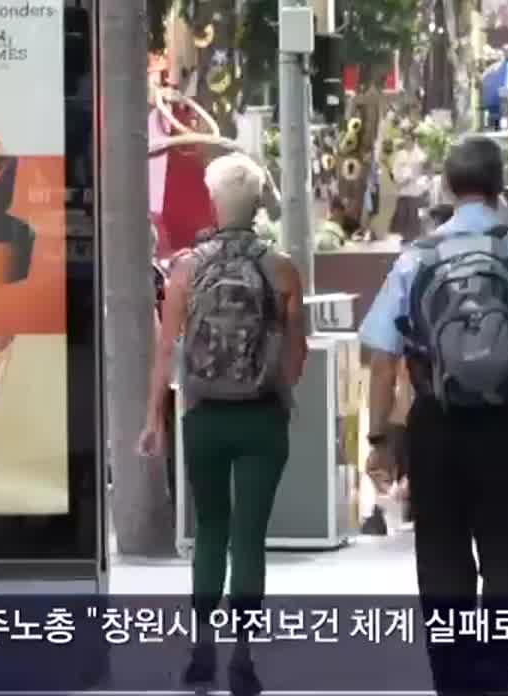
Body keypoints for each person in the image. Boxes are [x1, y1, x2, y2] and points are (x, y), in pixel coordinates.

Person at [359, 137, 508, 696]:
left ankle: (454, 679)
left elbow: (384, 358)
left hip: (435, 427)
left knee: (440, 554)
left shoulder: (415, 258)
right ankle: (495, 661)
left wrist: (381, 437)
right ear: (500, 184)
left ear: (447, 187)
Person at [141, 154, 308, 695]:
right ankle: (244, 654)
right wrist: (283, 392)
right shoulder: (281, 268)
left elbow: (166, 349)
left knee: (210, 530)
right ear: (258, 205)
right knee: (249, 537)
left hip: (205, 415)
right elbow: (296, 352)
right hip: (262, 417)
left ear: (215, 202)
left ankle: (201, 650)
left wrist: (154, 420)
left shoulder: (187, 269)